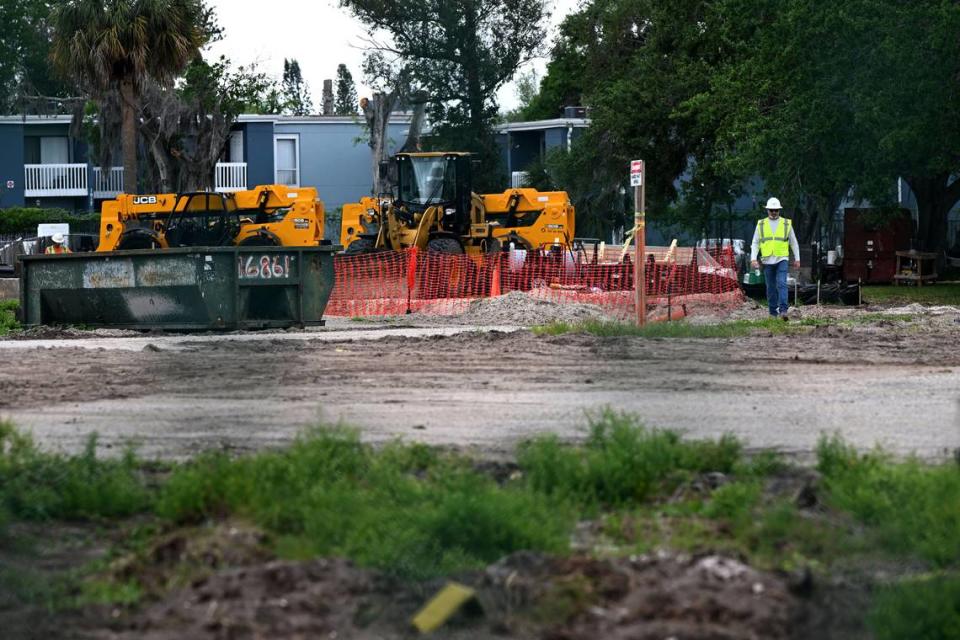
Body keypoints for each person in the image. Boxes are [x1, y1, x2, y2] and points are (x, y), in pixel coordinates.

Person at [750, 197, 800, 319]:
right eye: (771, 210)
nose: (773, 212)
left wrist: (797, 258)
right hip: (767, 260)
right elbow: (755, 242)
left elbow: (793, 242)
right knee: (771, 287)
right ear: (767, 210)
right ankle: (773, 313)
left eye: (776, 210)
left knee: (782, 283)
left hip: (781, 258)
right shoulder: (761, 224)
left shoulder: (786, 224)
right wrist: (753, 258)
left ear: (779, 210)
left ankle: (783, 311)